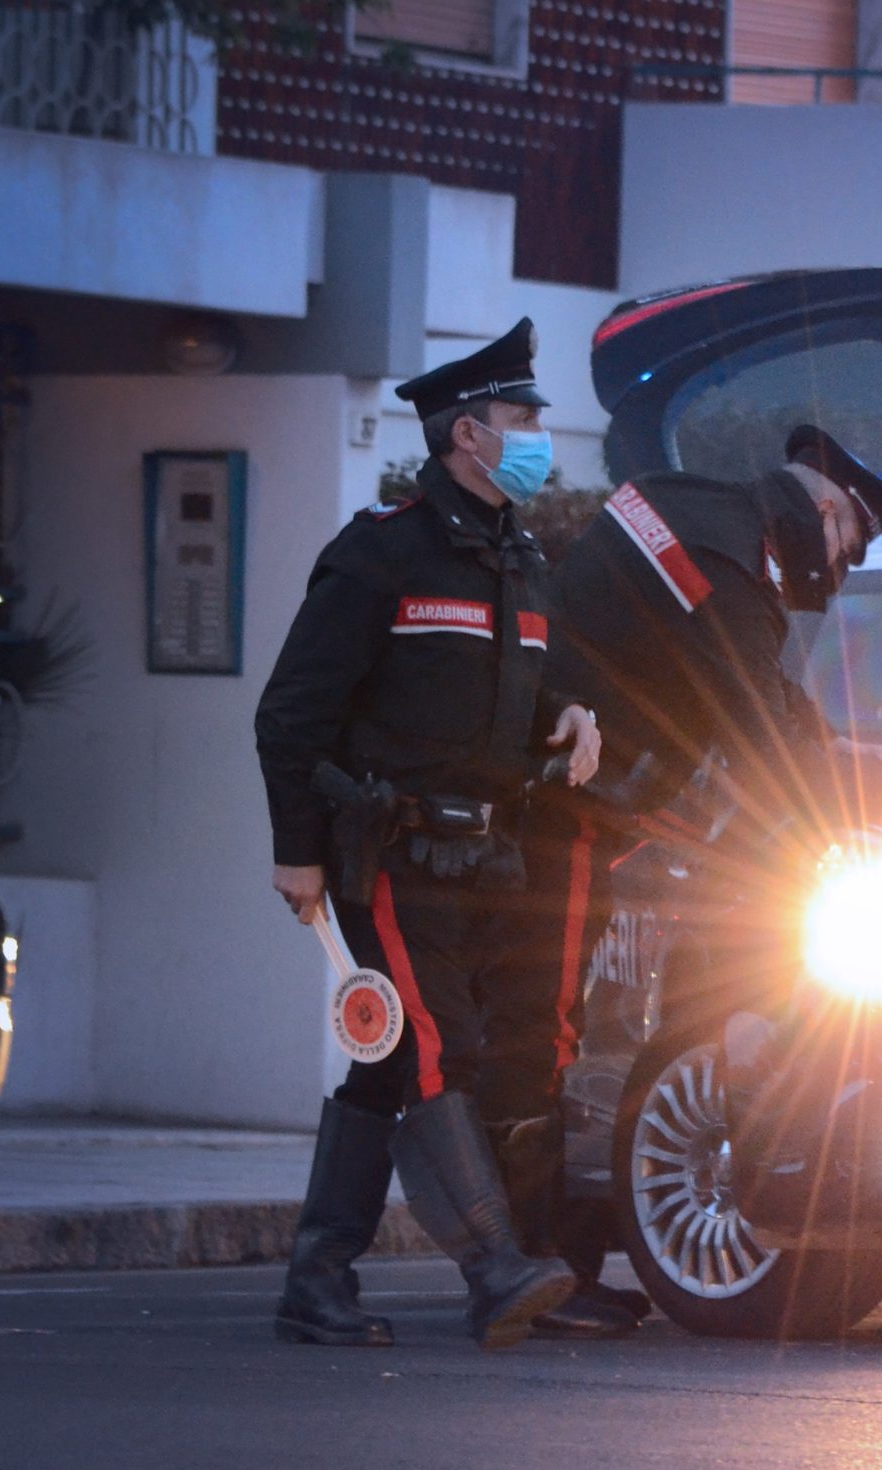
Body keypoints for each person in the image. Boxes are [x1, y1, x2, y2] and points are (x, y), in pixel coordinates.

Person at [482, 426, 882, 1311]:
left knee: (534, 1028)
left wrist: (845, 749)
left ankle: (546, 1263)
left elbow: (768, 695)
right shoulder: (727, 569)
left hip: (553, 798)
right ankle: (534, 1269)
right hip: (561, 809)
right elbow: (758, 732)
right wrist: (865, 790)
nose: (838, 573)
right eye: (849, 547)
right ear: (829, 510)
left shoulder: (694, 509)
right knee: (539, 1033)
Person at [255, 318, 604, 1351]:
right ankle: (495, 1266)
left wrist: (576, 709)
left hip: (488, 857)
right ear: (465, 433)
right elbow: (290, 712)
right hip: (392, 857)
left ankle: (316, 1279)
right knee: (436, 1050)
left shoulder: (521, 558)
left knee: (391, 1059)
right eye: (522, 416)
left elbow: (532, 679)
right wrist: (297, 851)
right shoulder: (381, 553)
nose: (540, 431)